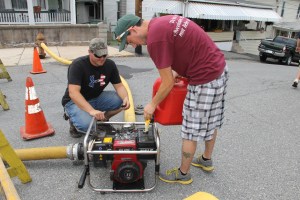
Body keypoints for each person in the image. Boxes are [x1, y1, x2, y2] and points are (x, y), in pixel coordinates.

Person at [115, 14, 228, 184]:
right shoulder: (162, 22)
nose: (132, 45)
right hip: (218, 69)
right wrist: (177, 71)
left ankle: (183, 174)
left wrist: (152, 105)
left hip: (204, 79)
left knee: (191, 129)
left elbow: (167, 83)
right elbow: (185, 46)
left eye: (129, 40)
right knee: (210, 121)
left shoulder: (154, 41)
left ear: (133, 29)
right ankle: (206, 160)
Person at [61, 38, 130, 138]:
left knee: (121, 100)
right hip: (74, 102)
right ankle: (74, 122)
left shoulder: (110, 65)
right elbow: (73, 93)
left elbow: (119, 86)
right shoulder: (78, 65)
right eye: (98, 55)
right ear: (90, 52)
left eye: (104, 55)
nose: (102, 58)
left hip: (96, 97)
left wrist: (126, 98)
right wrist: (91, 110)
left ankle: (102, 120)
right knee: (87, 125)